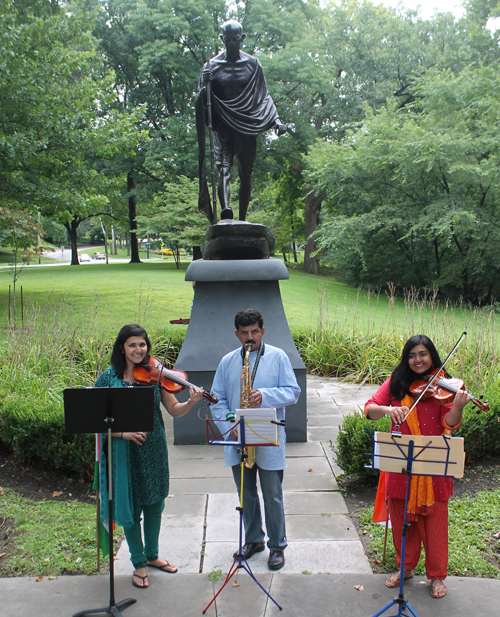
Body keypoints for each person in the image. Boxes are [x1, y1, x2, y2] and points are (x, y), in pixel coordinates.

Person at [95, 324, 203, 589]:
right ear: (122, 347)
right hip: (124, 452)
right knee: (131, 507)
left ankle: (153, 555)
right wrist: (122, 433)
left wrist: (191, 402)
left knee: (155, 504)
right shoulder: (109, 378)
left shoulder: (156, 376)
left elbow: (174, 410)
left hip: (153, 448)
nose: (138, 349)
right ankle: (139, 562)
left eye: (142, 344)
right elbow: (94, 419)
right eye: (132, 344)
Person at [364, 334, 470, 599]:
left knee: (435, 523)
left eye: (422, 354)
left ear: (431, 355)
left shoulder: (444, 385)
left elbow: (451, 423)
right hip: (401, 467)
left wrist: (457, 406)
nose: (417, 360)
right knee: (401, 521)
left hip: (433, 466)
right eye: (412, 355)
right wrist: (388, 411)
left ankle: (436, 576)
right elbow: (369, 409)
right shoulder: (397, 383)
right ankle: (406, 567)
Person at [210, 308, 301, 571]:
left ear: (263, 331)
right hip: (238, 436)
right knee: (245, 493)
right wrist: (229, 425)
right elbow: (217, 398)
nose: (250, 337)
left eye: (255, 332)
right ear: (237, 334)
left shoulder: (278, 356)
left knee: (273, 494)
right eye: (244, 333)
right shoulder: (228, 360)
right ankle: (253, 540)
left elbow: (293, 392)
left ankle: (277, 546)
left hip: (268, 435)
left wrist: (265, 395)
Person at [196, 19, 287, 223]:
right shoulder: (211, 66)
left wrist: (276, 121)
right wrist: (205, 85)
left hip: (247, 125)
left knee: (246, 174)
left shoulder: (253, 65)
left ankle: (243, 220)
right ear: (222, 39)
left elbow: (264, 97)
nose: (231, 44)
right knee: (223, 169)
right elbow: (202, 102)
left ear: (242, 38)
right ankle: (226, 213)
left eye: (235, 40)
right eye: (227, 40)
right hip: (223, 127)